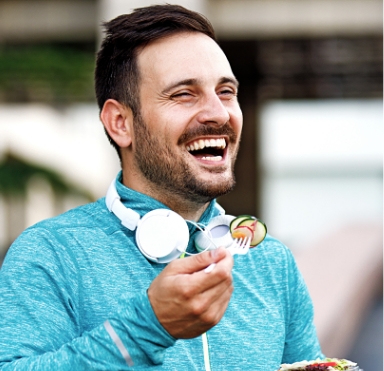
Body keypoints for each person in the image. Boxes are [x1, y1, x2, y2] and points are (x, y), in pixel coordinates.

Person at [0, 4, 323, 370]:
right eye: (184, 94)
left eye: (226, 91)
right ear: (120, 123)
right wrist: (148, 327)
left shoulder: (271, 261)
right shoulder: (49, 254)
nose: (218, 113)